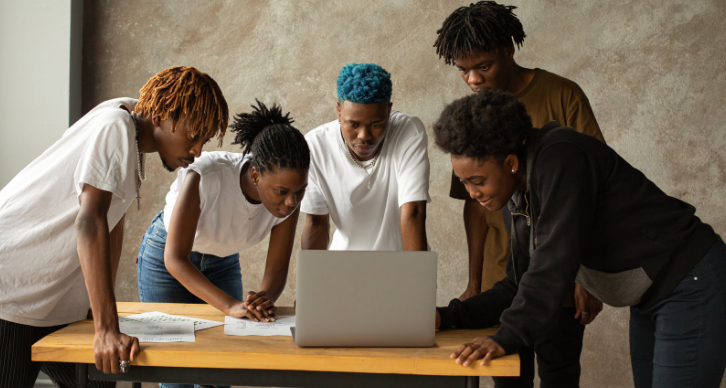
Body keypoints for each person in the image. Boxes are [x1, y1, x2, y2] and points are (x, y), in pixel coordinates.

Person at [0, 66, 229, 387]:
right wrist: (106, 329)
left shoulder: (130, 132)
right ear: (163, 114)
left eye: (204, 141)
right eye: (192, 136)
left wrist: (100, 313)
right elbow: (90, 221)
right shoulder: (115, 128)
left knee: (100, 378)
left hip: (51, 302)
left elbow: (110, 226)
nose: (197, 151)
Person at [433, 90, 726, 388]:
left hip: (690, 284)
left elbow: (554, 262)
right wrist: (446, 317)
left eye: (477, 181)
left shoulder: (561, 156)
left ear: (510, 163)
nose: (471, 193)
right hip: (650, 298)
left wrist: (508, 336)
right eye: (464, 182)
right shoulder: (518, 199)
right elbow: (518, 284)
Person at [433, 2, 604, 385]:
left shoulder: (562, 96)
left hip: (560, 274)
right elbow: (473, 208)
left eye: (484, 66)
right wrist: (474, 282)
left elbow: (591, 194)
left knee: (560, 374)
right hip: (505, 275)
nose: (474, 79)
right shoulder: (469, 119)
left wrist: (586, 278)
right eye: (464, 71)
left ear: (508, 51)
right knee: (507, 376)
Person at [136, 100, 308, 388]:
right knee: (176, 372)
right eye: (282, 191)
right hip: (167, 261)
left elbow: (277, 270)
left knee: (220, 371)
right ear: (255, 175)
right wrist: (230, 305)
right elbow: (175, 259)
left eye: (299, 191)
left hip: (221, 261)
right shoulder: (206, 176)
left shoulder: (289, 202)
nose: (291, 201)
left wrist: (263, 299)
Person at [300, 63, 430, 252]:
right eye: (353, 124)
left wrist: (415, 277)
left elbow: (414, 212)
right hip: (345, 265)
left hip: (401, 262)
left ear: (388, 111)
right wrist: (311, 279)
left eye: (376, 124)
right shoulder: (315, 146)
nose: (364, 136)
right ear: (338, 111)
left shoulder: (408, 131)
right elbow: (316, 223)